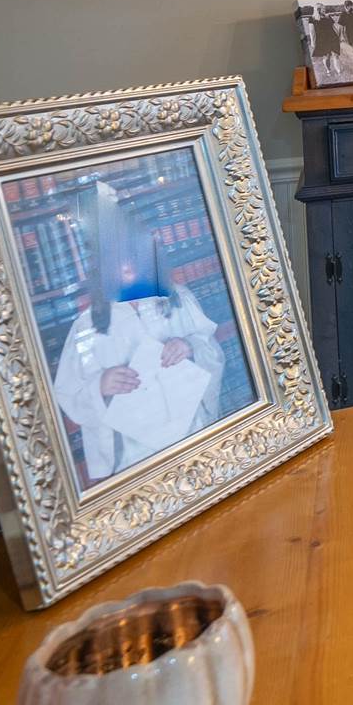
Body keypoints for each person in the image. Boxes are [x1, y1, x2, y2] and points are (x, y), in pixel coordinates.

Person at [47, 182, 234, 487]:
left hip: (192, 432)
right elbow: (69, 394)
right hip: (135, 453)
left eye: (132, 251)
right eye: (115, 255)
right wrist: (101, 385)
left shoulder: (176, 299)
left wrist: (189, 347)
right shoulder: (88, 326)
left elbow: (212, 349)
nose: (125, 262)